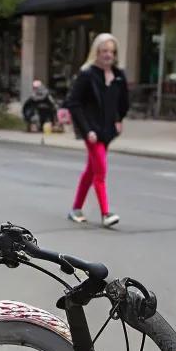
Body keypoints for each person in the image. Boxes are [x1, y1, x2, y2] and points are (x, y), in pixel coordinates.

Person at [66, 32, 129, 228]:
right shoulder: (87, 75)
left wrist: (118, 119)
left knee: (91, 170)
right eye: (104, 51)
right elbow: (73, 103)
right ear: (97, 52)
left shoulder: (118, 76)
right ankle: (106, 213)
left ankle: (76, 209)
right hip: (92, 132)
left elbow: (122, 103)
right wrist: (87, 130)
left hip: (108, 130)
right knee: (100, 170)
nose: (108, 55)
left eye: (111, 51)